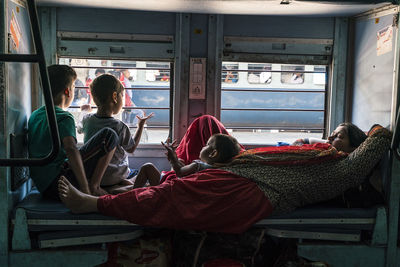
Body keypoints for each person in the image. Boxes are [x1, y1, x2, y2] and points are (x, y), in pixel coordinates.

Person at [58, 115, 391, 233]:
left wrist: (371, 133)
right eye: (332, 133)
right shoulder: (318, 152)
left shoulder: (341, 168)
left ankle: (95, 205)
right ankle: (113, 197)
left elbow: (381, 140)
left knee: (177, 197)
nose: (331, 139)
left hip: (263, 192)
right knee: (184, 174)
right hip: (244, 171)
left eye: (340, 136)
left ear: (354, 146)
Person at [28, 65, 119, 198]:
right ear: (68, 91)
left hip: (43, 187)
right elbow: (71, 149)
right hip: (60, 183)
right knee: (109, 135)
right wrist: (84, 188)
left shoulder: (35, 115)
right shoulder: (64, 117)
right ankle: (94, 187)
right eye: (74, 87)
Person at [78, 74, 155, 193]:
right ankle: (120, 189)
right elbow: (131, 148)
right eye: (122, 96)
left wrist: (83, 111)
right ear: (115, 97)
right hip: (115, 176)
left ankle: (117, 188)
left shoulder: (87, 120)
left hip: (93, 176)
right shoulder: (119, 126)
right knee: (143, 176)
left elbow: (80, 126)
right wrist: (140, 126)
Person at [162, 133, 241, 177]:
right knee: (180, 161)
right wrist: (177, 161)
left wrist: (173, 160)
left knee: (149, 166)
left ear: (213, 153)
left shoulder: (197, 166)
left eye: (207, 145)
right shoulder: (222, 169)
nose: (203, 146)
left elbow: (179, 172)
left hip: (172, 182)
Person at [292, 122, 367, 153]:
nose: (329, 137)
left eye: (338, 136)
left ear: (353, 148)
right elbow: (302, 140)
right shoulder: (328, 144)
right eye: (333, 133)